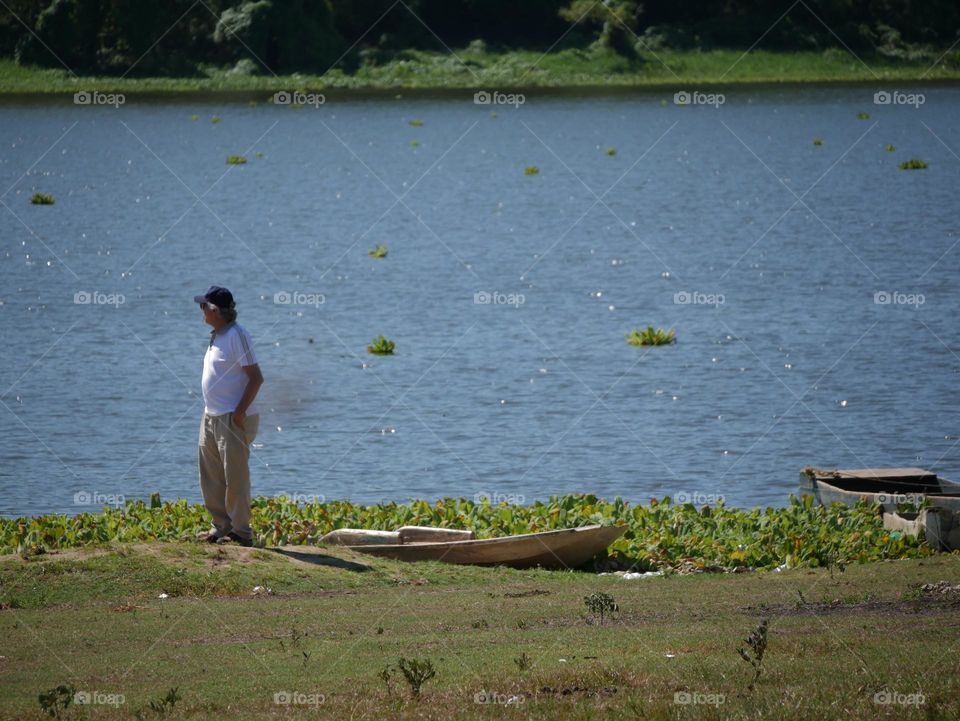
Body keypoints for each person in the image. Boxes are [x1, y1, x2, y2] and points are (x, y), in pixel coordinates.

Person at [194, 286, 264, 547]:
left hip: (232, 418)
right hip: (210, 416)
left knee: (235, 476)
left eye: (203, 306)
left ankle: (241, 532)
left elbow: (256, 378)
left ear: (214, 311)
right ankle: (220, 527)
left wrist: (240, 412)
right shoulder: (216, 335)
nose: (200, 310)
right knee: (211, 475)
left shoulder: (237, 334)